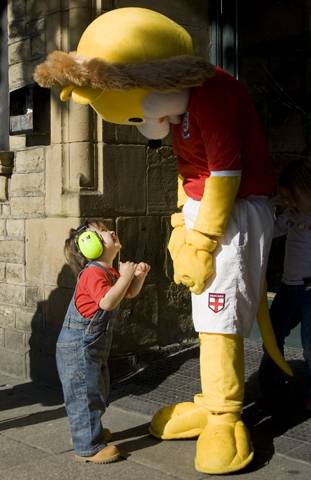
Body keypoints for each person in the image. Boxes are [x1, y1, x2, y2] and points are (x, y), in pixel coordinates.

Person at [34, 7, 291, 474]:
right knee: (206, 313)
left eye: (135, 113)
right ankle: (210, 400)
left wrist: (203, 238)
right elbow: (188, 171)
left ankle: (225, 416)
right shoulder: (179, 105)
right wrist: (180, 223)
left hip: (233, 214)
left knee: (220, 316)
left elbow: (225, 174)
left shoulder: (212, 95)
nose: (144, 125)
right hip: (206, 212)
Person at [56, 218, 150, 463]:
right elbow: (107, 301)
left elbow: (126, 293)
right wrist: (125, 276)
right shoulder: (93, 274)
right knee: (84, 395)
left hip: (92, 347)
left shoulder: (108, 271)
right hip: (77, 347)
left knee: (97, 391)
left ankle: (88, 431)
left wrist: (135, 278)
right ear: (90, 245)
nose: (111, 231)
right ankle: (87, 447)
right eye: (103, 231)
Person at [259, 158, 311, 412]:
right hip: (289, 287)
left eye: (292, 196)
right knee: (272, 334)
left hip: (310, 289)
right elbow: (269, 231)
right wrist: (271, 207)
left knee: (310, 344)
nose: (288, 202)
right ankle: (270, 385)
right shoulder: (290, 215)